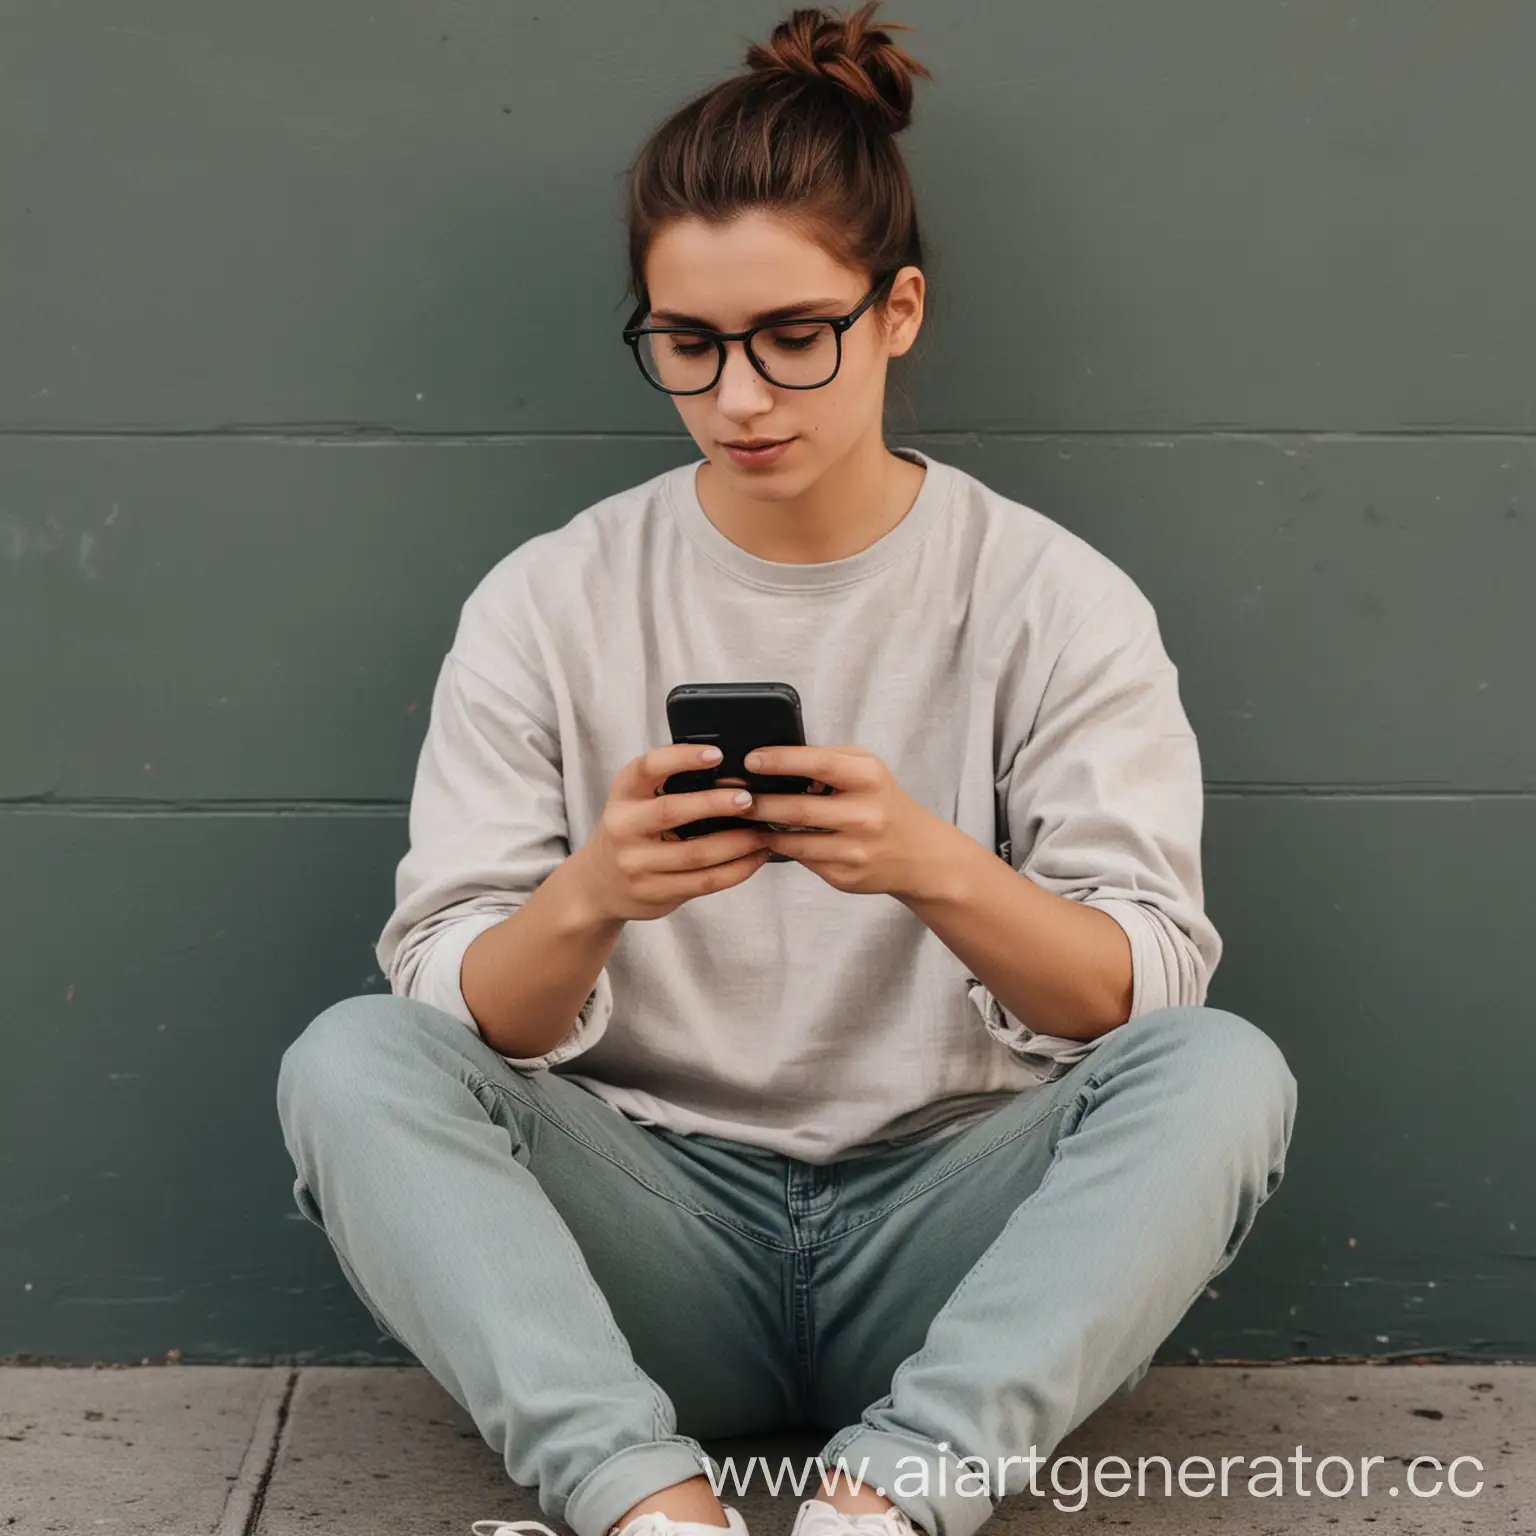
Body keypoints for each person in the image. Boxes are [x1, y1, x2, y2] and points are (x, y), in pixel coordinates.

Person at [275, 6, 1298, 1536]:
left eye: (791, 337)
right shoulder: (550, 600)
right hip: (647, 1244)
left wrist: (933, 864)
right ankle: (646, 1507)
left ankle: (887, 1502)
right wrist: (594, 898)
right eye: (688, 345)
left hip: (951, 1232)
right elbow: (450, 999)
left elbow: (1140, 989)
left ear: (897, 314)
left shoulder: (1049, 596)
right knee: (349, 1062)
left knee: (1225, 1075)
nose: (740, 396)